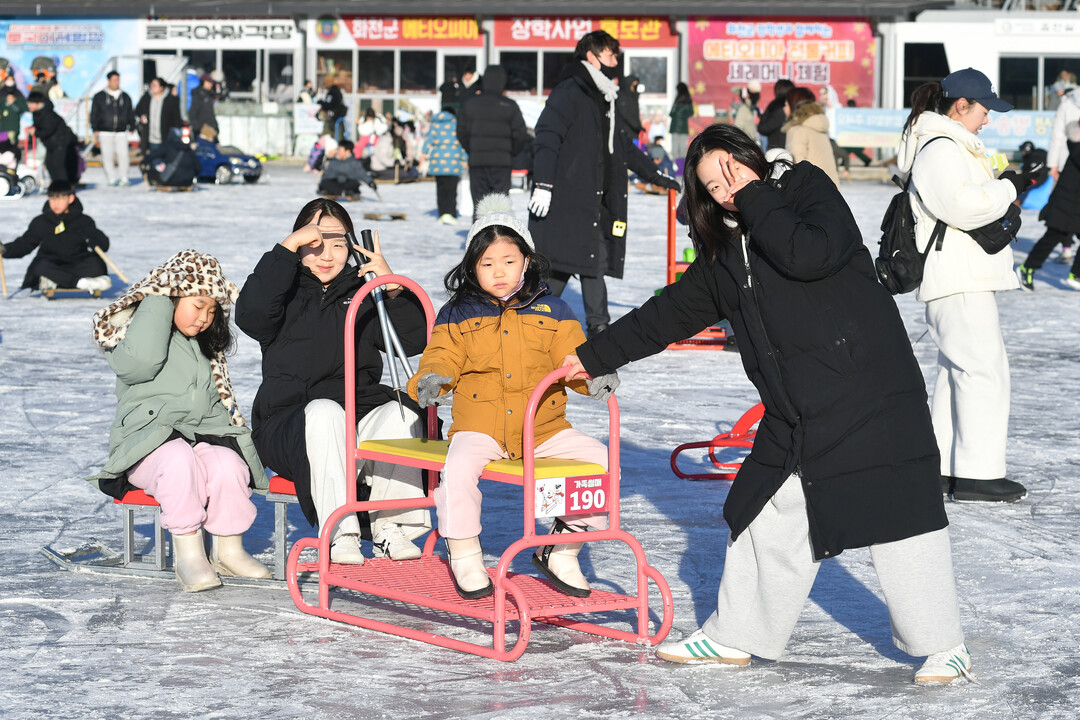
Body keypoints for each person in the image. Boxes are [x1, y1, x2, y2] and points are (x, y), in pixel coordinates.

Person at [562, 122, 972, 684]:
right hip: (797, 409)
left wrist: (755, 196)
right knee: (766, 511)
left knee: (900, 517)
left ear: (752, 159)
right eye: (714, 185)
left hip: (869, 393)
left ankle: (945, 644)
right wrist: (594, 356)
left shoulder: (806, 188)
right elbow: (670, 313)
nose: (727, 187)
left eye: (732, 170)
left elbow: (809, 253)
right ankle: (735, 635)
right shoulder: (726, 253)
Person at [406, 194, 616, 599]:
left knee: (600, 461)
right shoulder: (458, 313)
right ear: (472, 267)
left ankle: (561, 548)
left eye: (508, 261)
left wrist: (592, 376)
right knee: (458, 469)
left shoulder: (555, 310)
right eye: (487, 264)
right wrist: (433, 379)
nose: (498, 272)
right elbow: (442, 355)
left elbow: (573, 359)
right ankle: (465, 553)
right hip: (481, 427)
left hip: (543, 429)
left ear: (526, 261)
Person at [235, 199, 431, 564]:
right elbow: (251, 316)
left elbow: (414, 340)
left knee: (401, 414)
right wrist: (285, 250)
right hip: (290, 422)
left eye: (338, 244)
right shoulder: (282, 290)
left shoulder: (364, 292)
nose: (326, 255)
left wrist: (391, 288)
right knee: (324, 412)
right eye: (314, 242)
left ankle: (391, 525)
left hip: (357, 410)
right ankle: (342, 532)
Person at [88, 250, 271, 593]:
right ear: (172, 297)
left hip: (196, 441)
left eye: (212, 311)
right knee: (177, 458)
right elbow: (140, 364)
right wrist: (159, 298)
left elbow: (216, 409)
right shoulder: (138, 335)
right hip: (144, 449)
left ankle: (229, 549)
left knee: (227, 464)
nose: (204, 318)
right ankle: (189, 553)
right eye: (197, 305)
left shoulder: (204, 349)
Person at [898, 67, 1033, 503]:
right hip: (957, 275)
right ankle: (977, 473)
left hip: (959, 273)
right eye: (984, 109)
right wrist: (1007, 188)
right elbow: (961, 206)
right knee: (982, 371)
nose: (987, 119)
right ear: (961, 105)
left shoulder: (948, 145)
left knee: (959, 371)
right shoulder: (941, 147)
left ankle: (942, 466)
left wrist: (1006, 185)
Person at [528, 30, 680, 339]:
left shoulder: (605, 97)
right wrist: (543, 184)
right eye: (611, 55)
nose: (615, 62)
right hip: (568, 198)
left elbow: (623, 146)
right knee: (561, 265)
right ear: (592, 56)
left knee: (589, 262)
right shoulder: (571, 90)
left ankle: (596, 327)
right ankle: (534, 324)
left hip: (595, 200)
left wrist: (655, 176)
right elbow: (547, 137)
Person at [1, 180, 110, 292]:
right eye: (52, 199)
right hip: (51, 263)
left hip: (77, 262)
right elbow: (25, 244)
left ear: (71, 198)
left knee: (97, 264)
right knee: (39, 266)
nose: (55, 203)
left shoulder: (84, 221)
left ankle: (55, 281)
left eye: (60, 199)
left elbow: (101, 242)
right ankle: (81, 283)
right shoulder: (41, 221)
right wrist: (5, 250)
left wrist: (96, 240)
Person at [1016, 119, 1080, 291]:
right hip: (1066, 203)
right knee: (1053, 237)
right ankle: (1027, 268)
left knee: (1054, 236)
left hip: (1074, 202)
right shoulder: (1077, 145)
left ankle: (1076, 274)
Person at [456, 65, 527, 217]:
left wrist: (472, 149)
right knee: (499, 208)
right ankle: (498, 232)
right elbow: (520, 134)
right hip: (502, 163)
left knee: (480, 207)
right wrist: (509, 152)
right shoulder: (510, 105)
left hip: (477, 162)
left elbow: (461, 132)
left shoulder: (470, 104)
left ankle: (480, 232)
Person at [781, 86, 840, 186]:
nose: (784, 108)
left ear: (794, 105)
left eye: (786, 104)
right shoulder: (818, 126)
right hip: (830, 190)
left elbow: (798, 169)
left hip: (811, 191)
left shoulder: (798, 131)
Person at [90, 71, 135, 187]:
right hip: (105, 130)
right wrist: (95, 127)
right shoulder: (99, 96)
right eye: (114, 80)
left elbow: (130, 112)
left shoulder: (125, 96)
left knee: (123, 155)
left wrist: (132, 125)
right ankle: (111, 178)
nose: (116, 82)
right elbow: (94, 113)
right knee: (107, 155)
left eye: (118, 80)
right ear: (108, 81)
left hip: (121, 130)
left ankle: (124, 177)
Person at [423, 105, 467, 224]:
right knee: (452, 190)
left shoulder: (435, 124)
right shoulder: (456, 125)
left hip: (438, 162)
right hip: (453, 162)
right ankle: (451, 213)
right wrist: (466, 158)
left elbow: (428, 141)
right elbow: (462, 143)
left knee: (441, 189)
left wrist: (423, 153)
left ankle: (442, 213)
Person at [25, 91, 79, 185]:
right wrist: (33, 128)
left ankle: (64, 188)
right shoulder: (38, 113)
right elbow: (40, 126)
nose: (29, 105)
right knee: (50, 165)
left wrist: (35, 132)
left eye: (31, 103)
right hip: (51, 144)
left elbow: (48, 130)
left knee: (58, 166)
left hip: (60, 143)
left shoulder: (48, 114)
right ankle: (57, 186)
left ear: (39, 103)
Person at [135, 77, 182, 156]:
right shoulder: (147, 97)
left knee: (166, 159)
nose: (152, 87)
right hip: (151, 139)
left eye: (154, 85)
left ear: (161, 87)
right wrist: (142, 116)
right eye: (151, 85)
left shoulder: (170, 100)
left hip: (166, 138)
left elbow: (176, 118)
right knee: (155, 160)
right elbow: (138, 109)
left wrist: (176, 134)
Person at [757, 78, 795, 152]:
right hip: (784, 149)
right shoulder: (789, 106)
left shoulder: (777, 108)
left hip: (777, 150)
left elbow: (763, 128)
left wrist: (764, 117)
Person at [188, 74, 220, 141]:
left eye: (212, 83)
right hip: (202, 133)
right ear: (204, 82)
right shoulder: (198, 96)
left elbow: (211, 115)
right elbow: (192, 115)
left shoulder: (209, 95)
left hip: (211, 131)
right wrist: (203, 131)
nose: (211, 84)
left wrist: (216, 129)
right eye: (209, 82)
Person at [669, 82, 694, 161]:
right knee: (682, 146)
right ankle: (682, 163)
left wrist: (678, 113)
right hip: (683, 127)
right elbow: (691, 112)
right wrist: (683, 115)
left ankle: (675, 163)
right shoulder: (688, 100)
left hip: (675, 126)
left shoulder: (677, 99)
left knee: (675, 146)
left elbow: (671, 113)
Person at [1, 75, 29, 143]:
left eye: (11, 80)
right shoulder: (1, 93)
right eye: (8, 80)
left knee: (12, 144)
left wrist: (14, 102)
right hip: (2, 126)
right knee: (2, 144)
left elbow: (24, 108)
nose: (10, 82)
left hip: (13, 125)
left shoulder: (18, 94)